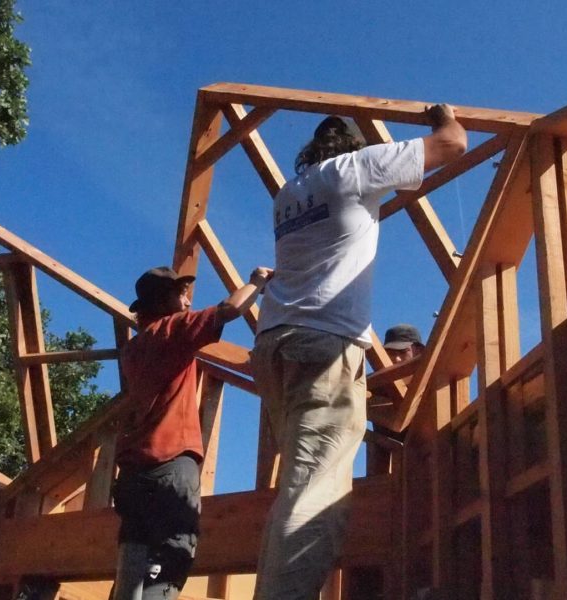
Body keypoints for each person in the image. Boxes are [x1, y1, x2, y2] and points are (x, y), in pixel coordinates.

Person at [251, 105, 467, 599]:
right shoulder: (355, 169)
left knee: (297, 487)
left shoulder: (288, 195)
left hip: (274, 342)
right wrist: (443, 116)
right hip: (322, 343)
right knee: (316, 492)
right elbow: (454, 144)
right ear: (354, 147)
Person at [111, 265, 272, 600]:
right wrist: (256, 282)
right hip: (169, 465)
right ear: (162, 302)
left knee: (133, 564)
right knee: (171, 557)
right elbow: (229, 310)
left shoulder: (133, 349)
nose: (187, 302)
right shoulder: (174, 330)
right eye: (180, 294)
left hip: (133, 474)